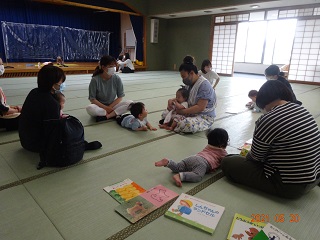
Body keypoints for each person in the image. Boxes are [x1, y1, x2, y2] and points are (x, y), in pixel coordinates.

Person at [221, 80, 320, 199]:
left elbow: (256, 158)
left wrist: (244, 157)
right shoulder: (302, 110)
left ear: (262, 101)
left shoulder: (268, 118)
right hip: (314, 178)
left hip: (290, 185)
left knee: (228, 162)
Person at [19, 65, 101, 153]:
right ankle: (82, 145)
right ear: (53, 84)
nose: (61, 84)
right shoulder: (51, 103)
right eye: (60, 82)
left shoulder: (34, 92)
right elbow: (54, 133)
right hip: (37, 145)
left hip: (25, 141)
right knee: (72, 128)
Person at [155, 128, 228, 187]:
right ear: (223, 144)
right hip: (203, 163)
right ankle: (180, 176)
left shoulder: (208, 146)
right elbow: (226, 162)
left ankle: (168, 162)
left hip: (192, 158)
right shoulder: (222, 152)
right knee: (197, 176)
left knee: (178, 167)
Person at [163, 56, 216, 133]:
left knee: (185, 125)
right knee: (165, 114)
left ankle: (175, 124)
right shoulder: (189, 84)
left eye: (184, 77)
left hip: (204, 116)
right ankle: (175, 123)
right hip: (189, 112)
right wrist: (171, 101)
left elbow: (200, 107)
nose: (183, 79)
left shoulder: (204, 85)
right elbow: (183, 97)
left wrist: (182, 112)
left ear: (191, 73)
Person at [86, 55, 133, 122]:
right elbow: (92, 99)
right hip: (100, 107)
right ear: (103, 67)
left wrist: (109, 108)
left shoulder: (117, 78)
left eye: (114, 66)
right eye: (111, 66)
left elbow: (120, 97)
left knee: (130, 103)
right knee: (90, 108)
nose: (113, 68)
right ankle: (114, 114)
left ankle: (107, 116)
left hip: (112, 106)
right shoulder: (95, 80)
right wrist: (105, 108)